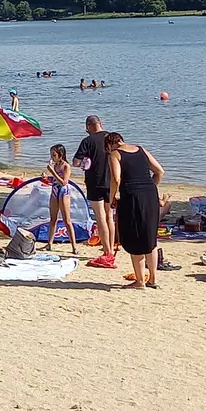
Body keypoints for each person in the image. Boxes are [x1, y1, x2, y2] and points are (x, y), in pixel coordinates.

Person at [105, 131, 164, 288]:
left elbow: (115, 179)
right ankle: (153, 279)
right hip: (150, 195)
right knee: (150, 238)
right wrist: (149, 187)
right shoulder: (141, 149)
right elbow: (159, 172)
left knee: (135, 236)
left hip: (132, 197)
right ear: (121, 140)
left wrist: (111, 199)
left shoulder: (115, 155)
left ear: (110, 145)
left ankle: (140, 281)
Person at [72, 115, 117, 269]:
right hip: (112, 182)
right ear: (100, 124)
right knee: (109, 216)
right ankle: (110, 247)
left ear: (89, 126)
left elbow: (76, 162)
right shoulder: (112, 139)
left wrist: (85, 162)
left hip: (95, 182)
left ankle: (107, 251)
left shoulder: (88, 141)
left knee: (100, 217)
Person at [43, 143, 77, 254]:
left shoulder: (66, 166)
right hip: (54, 191)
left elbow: (64, 182)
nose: (52, 158)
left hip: (63, 192)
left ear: (60, 155)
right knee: (53, 219)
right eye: (51, 155)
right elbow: (55, 180)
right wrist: (48, 177)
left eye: (54, 155)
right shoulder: (56, 166)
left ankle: (74, 247)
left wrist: (52, 172)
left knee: (67, 220)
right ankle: (49, 243)